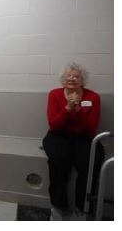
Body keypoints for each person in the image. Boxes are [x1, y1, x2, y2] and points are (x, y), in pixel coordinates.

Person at [42, 62, 104, 220]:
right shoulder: (54, 94)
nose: (71, 79)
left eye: (76, 76)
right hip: (58, 135)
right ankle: (58, 206)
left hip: (84, 137)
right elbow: (54, 124)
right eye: (68, 76)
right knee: (58, 161)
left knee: (90, 163)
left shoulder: (93, 97)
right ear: (63, 79)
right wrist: (67, 109)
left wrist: (77, 111)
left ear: (82, 80)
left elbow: (91, 128)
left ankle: (83, 208)